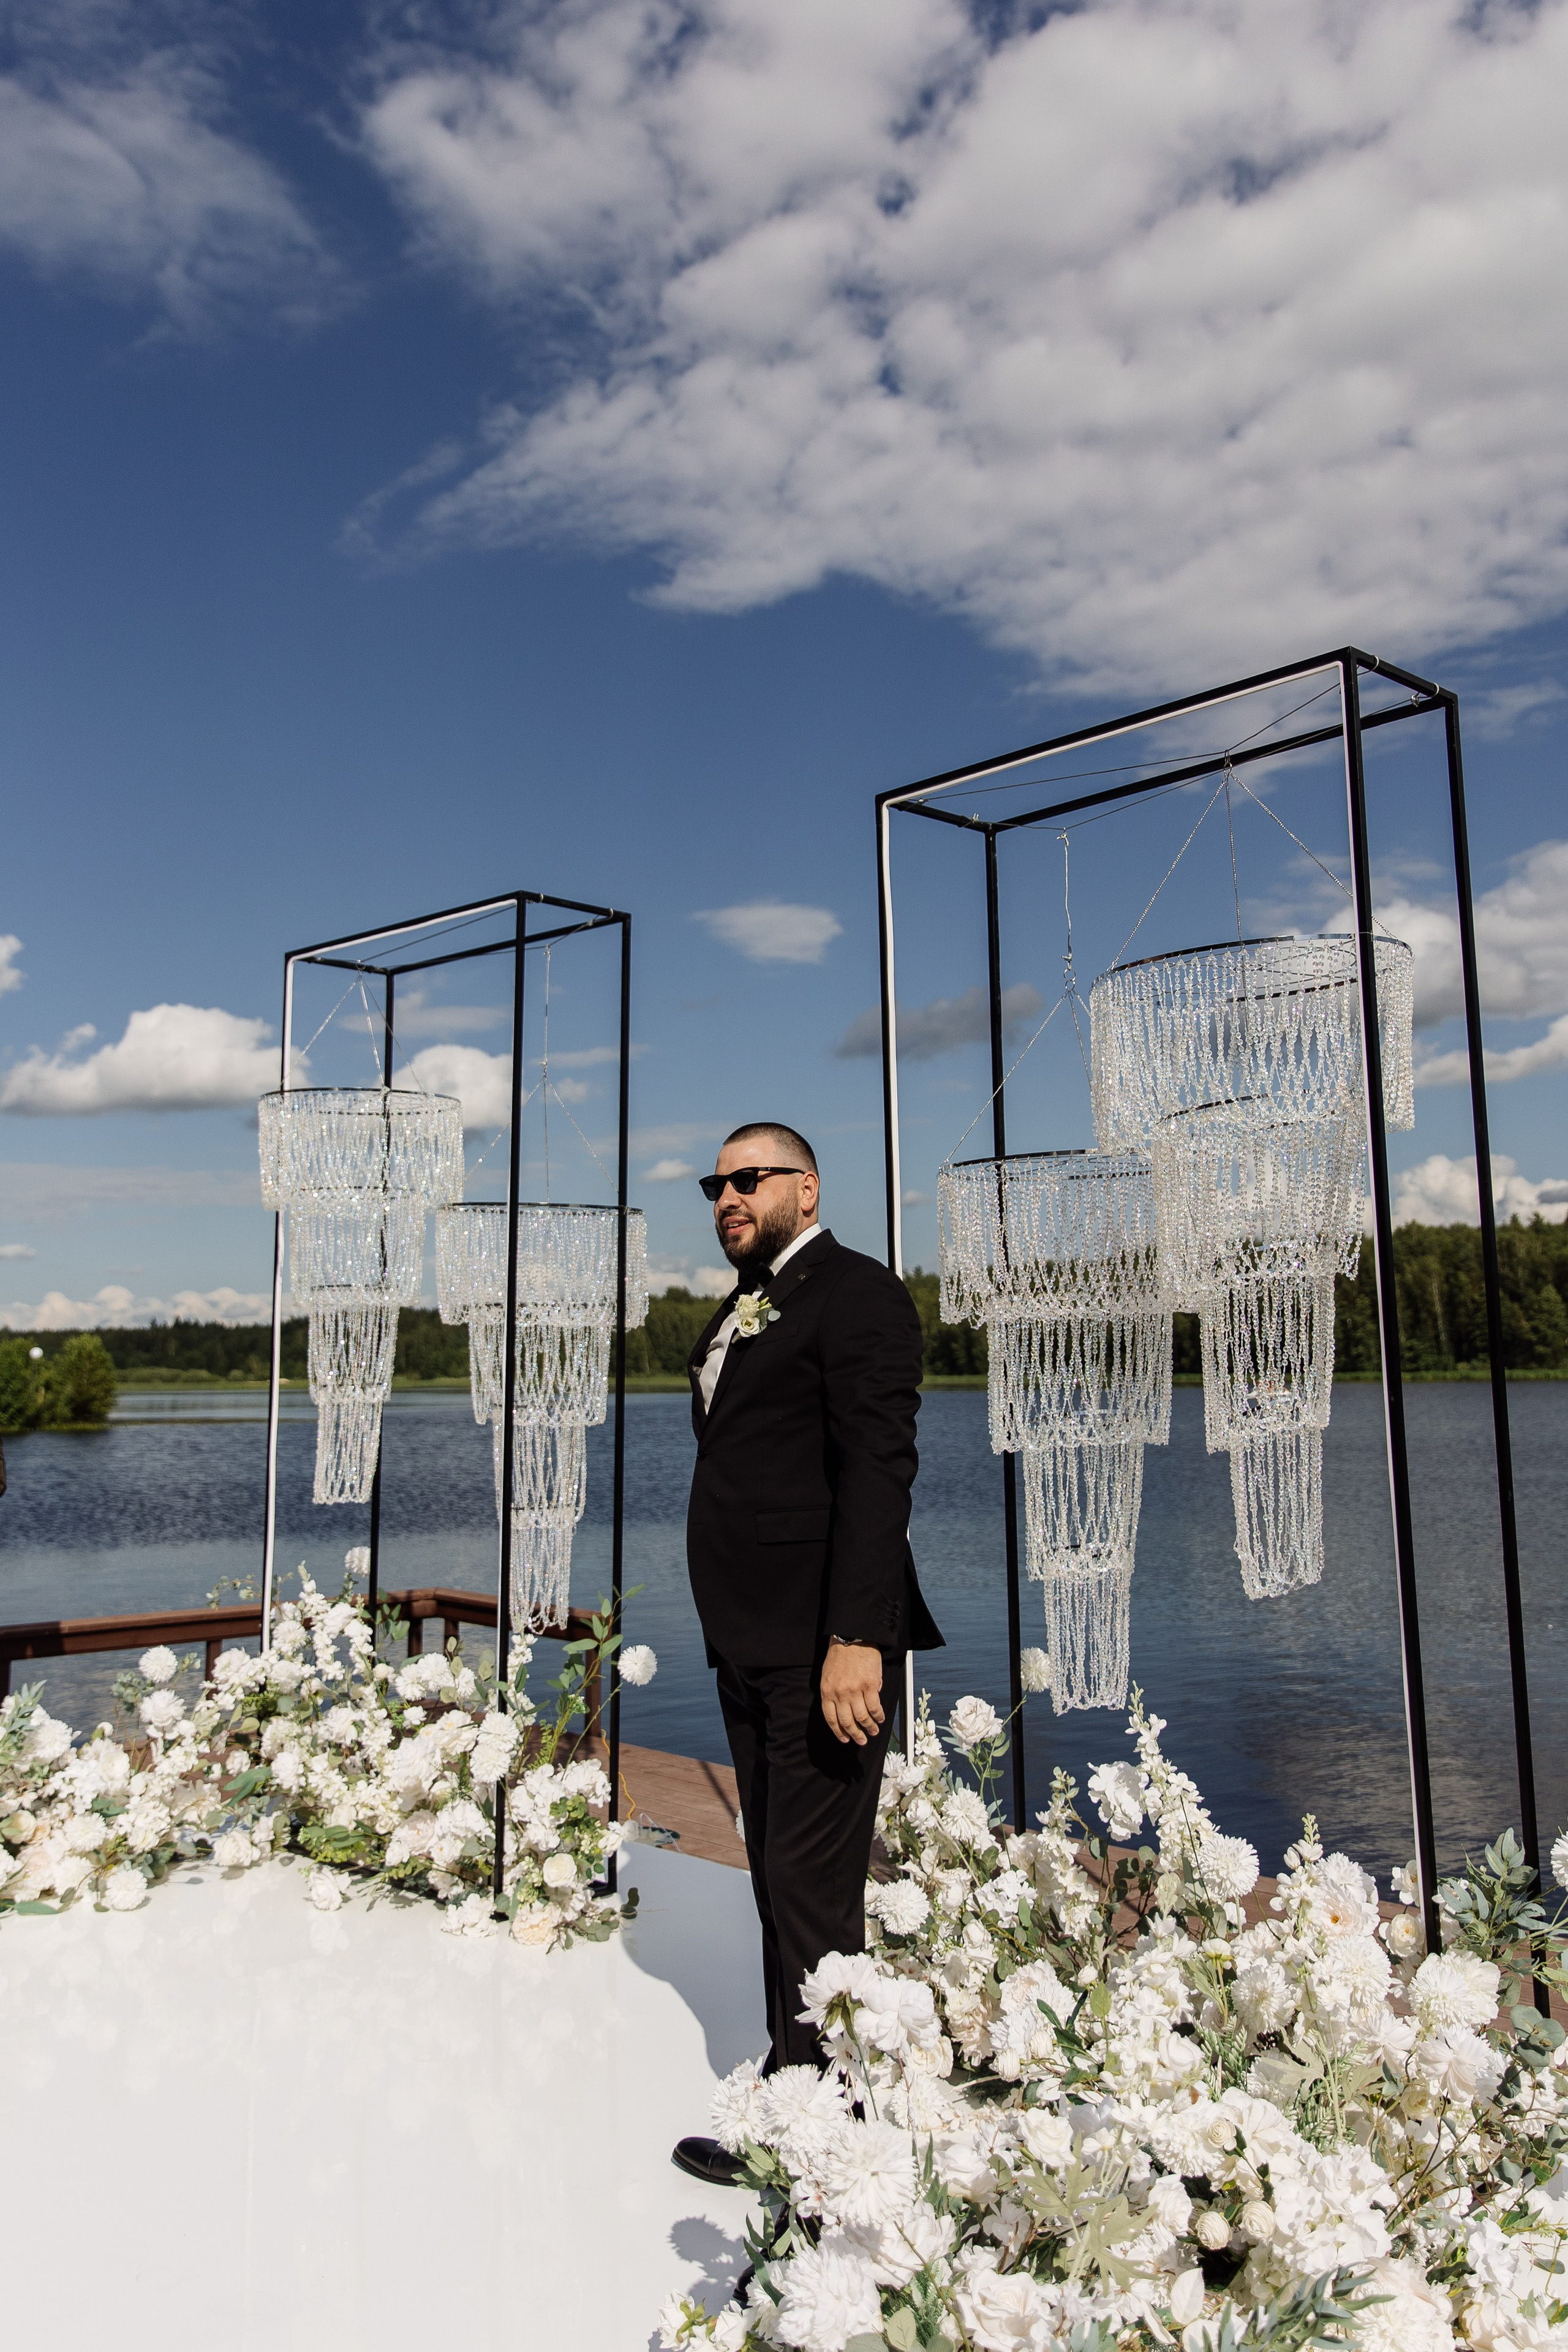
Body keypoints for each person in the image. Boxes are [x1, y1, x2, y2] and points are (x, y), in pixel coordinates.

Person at [671, 1121, 942, 2188]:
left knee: (809, 1882)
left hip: (826, 1648)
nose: (729, 1196)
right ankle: (802, 2089)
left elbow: (881, 1469)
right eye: (717, 1184)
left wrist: (855, 1637)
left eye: (750, 1178)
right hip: (749, 1645)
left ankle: (828, 2145)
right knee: (776, 1875)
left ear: (807, 1187)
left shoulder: (858, 1293)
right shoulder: (744, 1306)